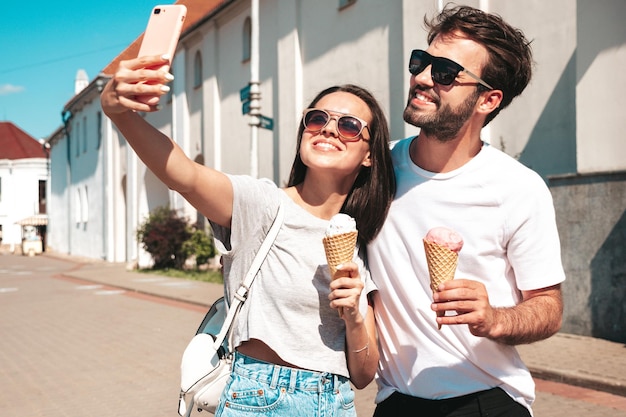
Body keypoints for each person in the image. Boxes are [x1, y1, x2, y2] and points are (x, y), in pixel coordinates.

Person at [100, 54, 395, 417]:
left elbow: (364, 375)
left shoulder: (359, 240)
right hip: (258, 400)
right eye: (317, 118)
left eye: (349, 125)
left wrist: (352, 314)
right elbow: (184, 175)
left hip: (335, 404)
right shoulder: (262, 205)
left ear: (369, 155)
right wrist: (120, 114)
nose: (329, 129)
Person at [367, 5, 566, 417]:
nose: (421, 78)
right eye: (421, 62)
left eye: (444, 72)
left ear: (488, 99)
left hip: (486, 401)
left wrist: (493, 317)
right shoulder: (375, 170)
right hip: (395, 403)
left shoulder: (519, 188)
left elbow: (548, 307)